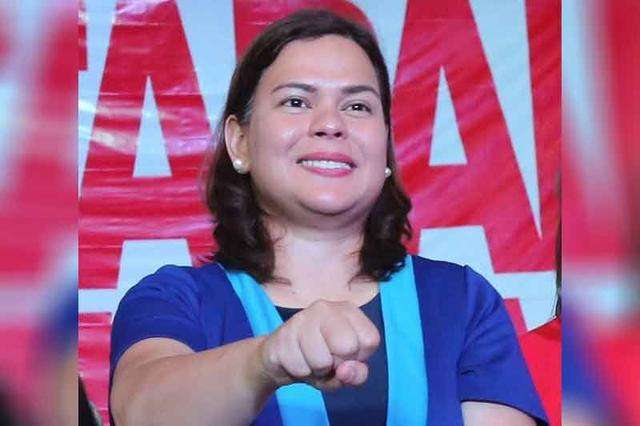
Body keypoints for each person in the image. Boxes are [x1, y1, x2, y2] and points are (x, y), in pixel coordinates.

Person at [109, 9, 548, 426]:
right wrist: (265, 361)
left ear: (385, 147)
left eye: (357, 107)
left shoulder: (461, 301)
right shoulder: (173, 300)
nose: (330, 124)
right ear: (239, 142)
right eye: (296, 101)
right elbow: (142, 413)